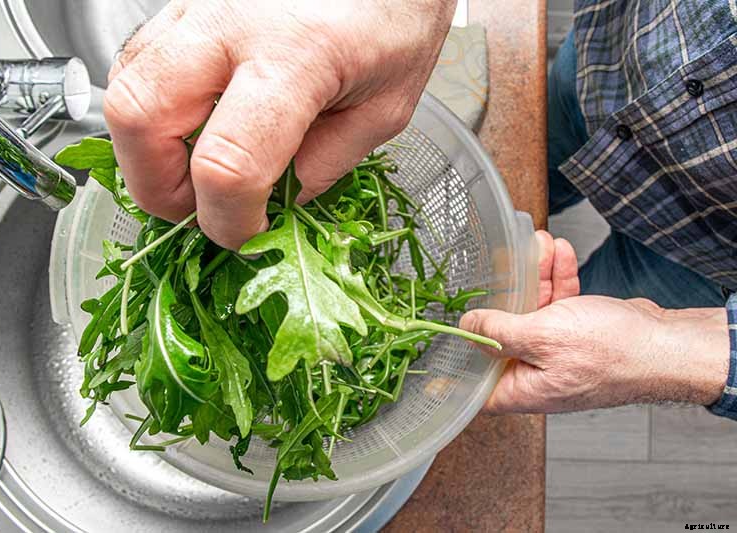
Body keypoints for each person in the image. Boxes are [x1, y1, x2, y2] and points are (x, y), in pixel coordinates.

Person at [104, 0, 737, 420]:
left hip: (713, 265)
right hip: (618, 64)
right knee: (531, 261)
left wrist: (682, 346)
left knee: (557, 322)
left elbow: (652, 343)